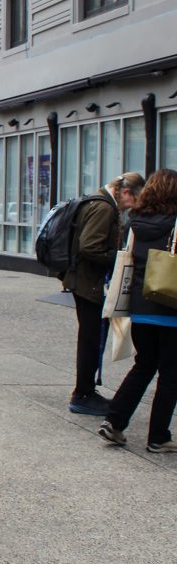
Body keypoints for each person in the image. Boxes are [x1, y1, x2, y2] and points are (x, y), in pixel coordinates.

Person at [98, 168, 177, 453]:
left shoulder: (136, 222)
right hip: (171, 308)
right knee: (170, 374)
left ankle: (115, 421)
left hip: (140, 307)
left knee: (144, 366)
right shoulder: (174, 223)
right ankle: (158, 436)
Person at [64, 172, 144, 415]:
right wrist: (119, 259)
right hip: (90, 285)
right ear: (126, 192)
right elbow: (90, 246)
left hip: (84, 282)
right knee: (91, 339)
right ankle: (83, 393)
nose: (133, 207)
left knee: (90, 338)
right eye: (134, 200)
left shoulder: (98, 201)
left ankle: (86, 390)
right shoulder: (104, 208)